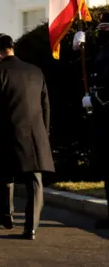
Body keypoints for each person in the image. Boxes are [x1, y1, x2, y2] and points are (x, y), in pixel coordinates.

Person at [0, 34, 54, 241]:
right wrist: (45, 133)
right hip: (36, 134)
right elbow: (45, 105)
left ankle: (6, 215)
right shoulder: (35, 71)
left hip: (8, 133)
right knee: (34, 180)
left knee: (5, 175)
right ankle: (31, 227)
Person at [75, 15, 109, 229]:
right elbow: (91, 69)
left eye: (104, 28)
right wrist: (80, 49)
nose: (101, 32)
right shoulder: (102, 51)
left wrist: (97, 99)